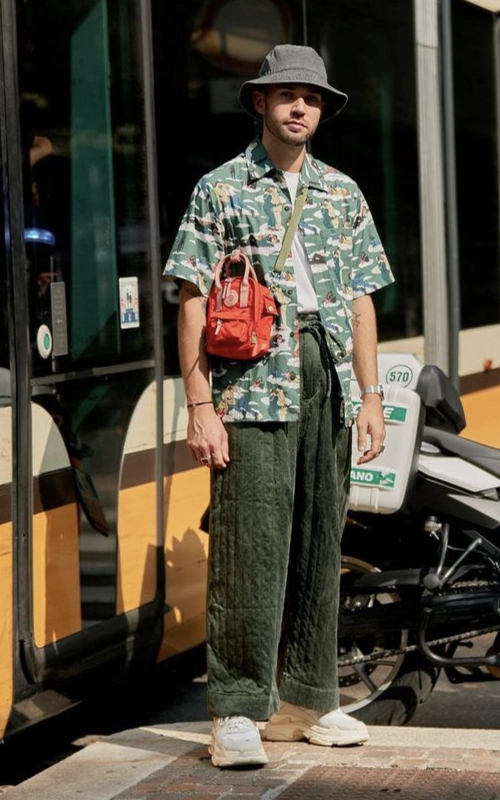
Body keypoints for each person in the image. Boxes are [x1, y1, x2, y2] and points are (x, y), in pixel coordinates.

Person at [164, 43, 395, 768]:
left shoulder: (343, 193)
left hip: (325, 382)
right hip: (253, 388)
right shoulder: (222, 188)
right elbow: (193, 299)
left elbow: (360, 303)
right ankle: (236, 708)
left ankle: (307, 701)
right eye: (288, 94)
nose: (302, 107)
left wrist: (372, 396)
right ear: (260, 103)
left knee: (320, 541)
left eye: (314, 97)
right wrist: (200, 404)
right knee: (251, 548)